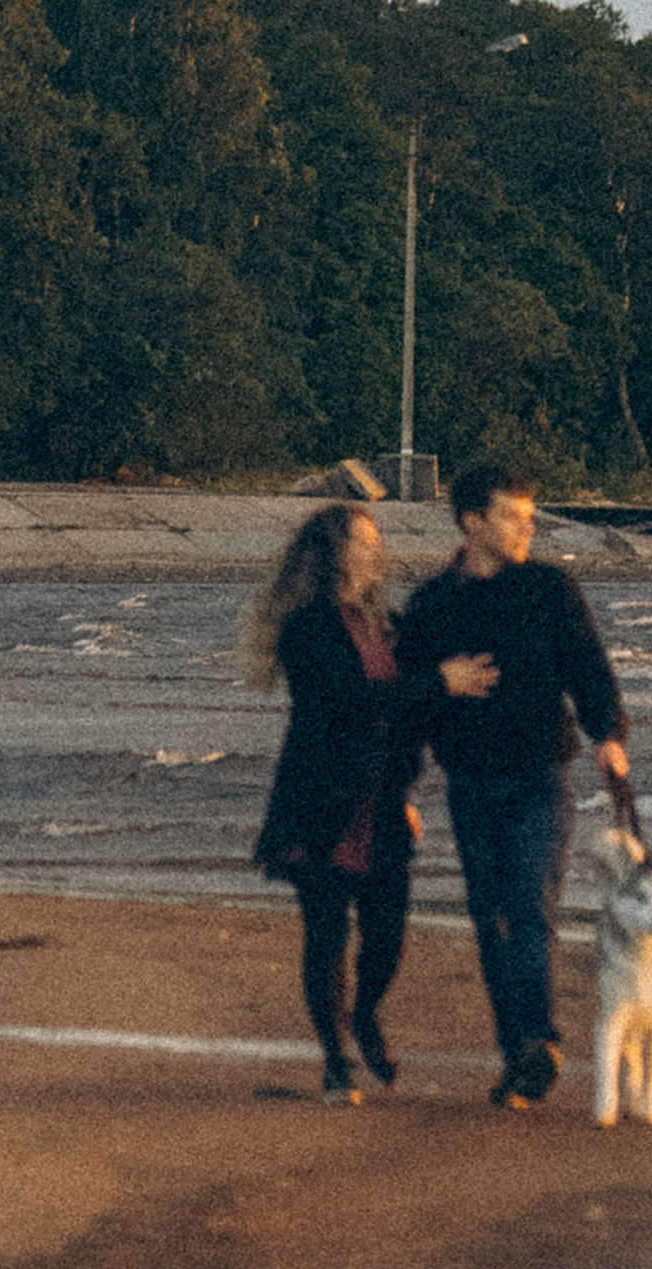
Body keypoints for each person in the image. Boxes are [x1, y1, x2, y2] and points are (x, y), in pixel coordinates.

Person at [394, 463, 630, 1108]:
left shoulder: (550, 588)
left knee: (529, 906)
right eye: (512, 516)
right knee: (489, 917)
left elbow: (587, 664)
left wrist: (608, 734)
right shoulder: (433, 603)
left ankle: (538, 1043)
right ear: (471, 522)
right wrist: (403, 785)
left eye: (530, 517)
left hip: (540, 775)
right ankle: (517, 1051)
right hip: (469, 778)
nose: (527, 528)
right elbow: (407, 706)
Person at [248, 503, 498, 1102]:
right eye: (363, 540)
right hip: (318, 801)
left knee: (387, 935)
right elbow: (350, 700)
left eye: (375, 539)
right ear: (333, 552)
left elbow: (408, 715)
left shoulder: (387, 624)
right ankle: (336, 1060)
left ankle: (363, 1013)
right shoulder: (306, 627)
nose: (376, 549)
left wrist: (411, 785)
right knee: (327, 935)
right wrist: (440, 681)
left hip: (382, 801)